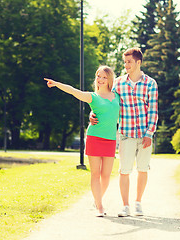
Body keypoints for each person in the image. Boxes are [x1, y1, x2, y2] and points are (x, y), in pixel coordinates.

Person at [90, 48, 158, 217]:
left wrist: (149, 134)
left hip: (144, 135)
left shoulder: (150, 84)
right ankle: (125, 205)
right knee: (124, 171)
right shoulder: (119, 83)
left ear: (138, 62)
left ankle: (138, 203)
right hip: (126, 133)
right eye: (125, 62)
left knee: (143, 169)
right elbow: (104, 100)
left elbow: (154, 111)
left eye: (129, 62)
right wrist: (93, 114)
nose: (126, 65)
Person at [44, 66, 120, 217]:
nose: (101, 79)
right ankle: (100, 206)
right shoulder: (93, 97)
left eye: (104, 77)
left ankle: (97, 199)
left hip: (110, 140)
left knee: (106, 175)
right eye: (98, 76)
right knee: (95, 174)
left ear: (110, 79)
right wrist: (57, 84)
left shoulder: (117, 95)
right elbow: (73, 91)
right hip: (95, 138)